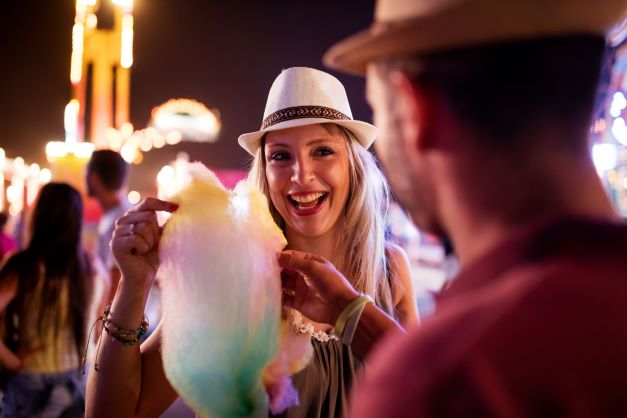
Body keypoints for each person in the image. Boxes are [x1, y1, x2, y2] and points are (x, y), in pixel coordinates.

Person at [278, 0, 627, 416]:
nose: (302, 174)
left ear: (413, 109)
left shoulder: (443, 383)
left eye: (378, 106)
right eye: (281, 156)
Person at [85, 66, 418, 418]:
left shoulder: (390, 271)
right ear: (265, 170)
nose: (301, 175)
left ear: (354, 166)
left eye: (322, 151)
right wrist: (134, 286)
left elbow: (430, 396)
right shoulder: (233, 273)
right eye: (280, 155)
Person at [0, 183, 108, 417]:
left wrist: (11, 361)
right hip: (81, 378)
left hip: (33, 377)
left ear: (39, 216)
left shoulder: (24, 266)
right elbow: (98, 332)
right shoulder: (94, 269)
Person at [86, 149, 132, 299]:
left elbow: (119, 279)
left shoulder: (123, 219)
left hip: (118, 320)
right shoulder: (115, 215)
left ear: (94, 177)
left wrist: (104, 321)